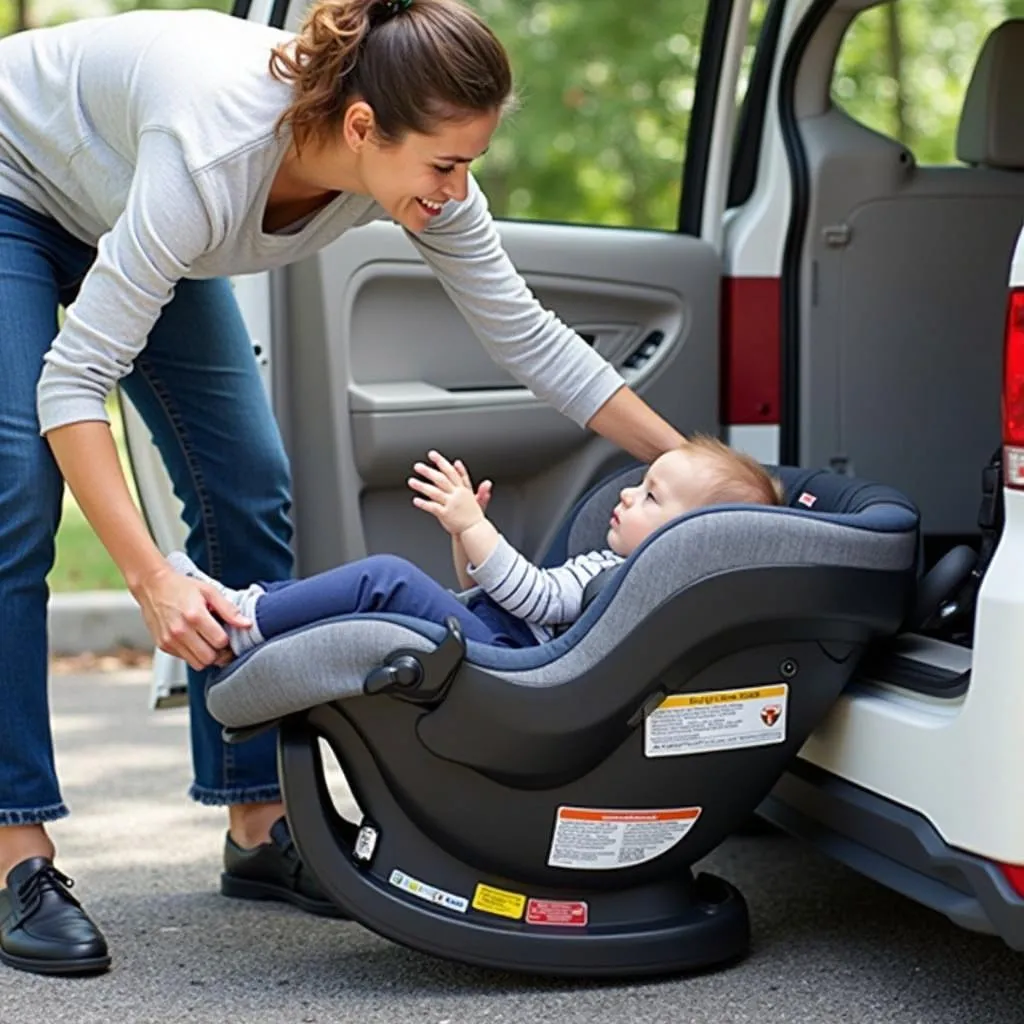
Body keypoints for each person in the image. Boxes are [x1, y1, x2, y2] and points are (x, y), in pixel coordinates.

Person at [0, 0, 691, 976]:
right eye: (445, 166)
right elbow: (72, 384)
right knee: (15, 495)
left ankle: (257, 826)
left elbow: (529, 339)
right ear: (361, 127)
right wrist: (149, 573)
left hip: (129, 203)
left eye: (470, 163)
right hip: (16, 185)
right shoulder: (212, 155)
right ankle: (15, 852)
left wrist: (688, 473)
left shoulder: (413, 170)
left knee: (248, 484)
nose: (458, 190)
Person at [167, 440, 783, 657]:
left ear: (693, 539)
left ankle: (248, 618)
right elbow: (493, 589)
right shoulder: (619, 566)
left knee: (386, 577)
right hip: (499, 635)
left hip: (513, 662)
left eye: (651, 498)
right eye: (640, 484)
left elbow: (535, 597)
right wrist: (466, 536)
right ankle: (251, 607)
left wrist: (478, 529)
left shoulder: (622, 581)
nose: (626, 495)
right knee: (383, 588)